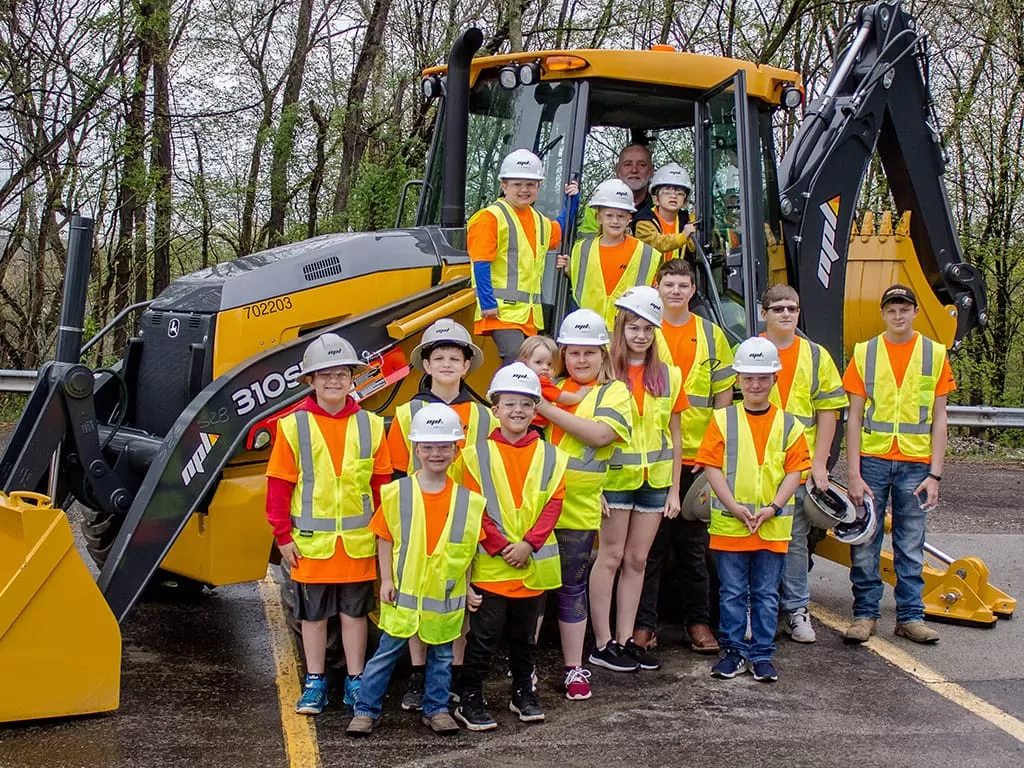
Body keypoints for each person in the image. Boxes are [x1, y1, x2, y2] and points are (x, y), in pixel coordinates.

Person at [265, 333, 391, 715]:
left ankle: (355, 680)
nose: (333, 381)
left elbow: (382, 487)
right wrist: (282, 537)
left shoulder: (371, 425)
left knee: (354, 615)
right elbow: (279, 487)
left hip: (357, 543)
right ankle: (315, 681)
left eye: (341, 374)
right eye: (325, 375)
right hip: (310, 544)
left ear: (353, 378)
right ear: (310, 381)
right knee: (314, 617)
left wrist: (384, 536)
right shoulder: (292, 426)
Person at [346, 404, 486, 737]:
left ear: (456, 449)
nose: (436, 453)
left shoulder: (469, 501)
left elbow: (467, 553)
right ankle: (365, 710)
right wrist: (387, 579)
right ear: (416, 449)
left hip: (444, 599)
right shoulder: (397, 493)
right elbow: (384, 537)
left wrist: (467, 587)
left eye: (444, 446)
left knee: (441, 658)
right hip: (404, 596)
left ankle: (436, 709)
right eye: (429, 446)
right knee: (385, 655)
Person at [386, 317, 494, 710]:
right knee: (418, 600)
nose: (447, 364)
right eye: (438, 357)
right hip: (418, 521)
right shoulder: (404, 414)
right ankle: (418, 676)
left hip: (465, 522)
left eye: (455, 357)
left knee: (458, 600)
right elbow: (397, 474)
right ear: (426, 365)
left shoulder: (484, 416)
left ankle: (453, 674)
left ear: (467, 365)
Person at [453, 363, 568, 731]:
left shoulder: (551, 455)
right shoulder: (474, 456)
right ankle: (470, 697)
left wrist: (528, 545)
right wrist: (504, 546)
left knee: (524, 637)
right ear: (495, 409)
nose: (517, 411)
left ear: (536, 411)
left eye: (526, 404)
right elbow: (473, 509)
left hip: (531, 564)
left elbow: (554, 505)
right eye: (509, 404)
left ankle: (523, 691)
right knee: (483, 637)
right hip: (493, 564)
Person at [842, 284, 954, 645]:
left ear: (915, 312)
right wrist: (854, 473)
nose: (898, 315)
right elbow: (854, 418)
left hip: (916, 465)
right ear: (883, 314)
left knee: (910, 544)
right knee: (865, 541)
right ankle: (865, 614)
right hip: (873, 461)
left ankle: (910, 616)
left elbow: (940, 418)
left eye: (904, 309)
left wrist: (935, 473)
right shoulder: (865, 353)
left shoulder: (935, 354)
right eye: (892, 309)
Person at [635, 258, 734, 654]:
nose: (676, 291)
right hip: (652, 457)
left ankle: (698, 624)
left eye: (683, 285)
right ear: (657, 287)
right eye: (669, 284)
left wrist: (715, 454)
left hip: (697, 458)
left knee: (694, 549)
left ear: (693, 290)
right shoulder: (646, 334)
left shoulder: (712, 336)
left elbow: (723, 399)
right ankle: (643, 627)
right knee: (650, 550)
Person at [698, 337, 810, 683]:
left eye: (762, 378)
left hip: (771, 527)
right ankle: (733, 653)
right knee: (731, 592)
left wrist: (773, 508)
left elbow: (796, 471)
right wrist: (733, 507)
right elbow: (711, 467)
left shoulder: (790, 425)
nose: (756, 384)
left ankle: (761, 655)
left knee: (765, 593)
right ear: (738, 380)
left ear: (775, 379)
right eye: (749, 378)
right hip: (731, 526)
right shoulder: (721, 419)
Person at [535, 309, 633, 700]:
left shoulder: (614, 392)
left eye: (589, 353)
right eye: (573, 352)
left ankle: (574, 668)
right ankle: (525, 669)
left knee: (571, 589)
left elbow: (599, 435)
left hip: (577, 508)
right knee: (532, 592)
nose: (580, 360)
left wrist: (541, 406)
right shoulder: (551, 385)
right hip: (536, 505)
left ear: (604, 355)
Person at [589, 287, 687, 674]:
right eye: (634, 327)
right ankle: (602, 642)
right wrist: (593, 486)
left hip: (655, 481)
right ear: (621, 328)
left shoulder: (668, 375)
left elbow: (675, 435)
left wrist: (675, 489)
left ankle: (627, 639)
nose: (641, 335)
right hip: (614, 479)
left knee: (638, 560)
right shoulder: (604, 373)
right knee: (610, 558)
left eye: (648, 328)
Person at [758, 284, 847, 644]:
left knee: (792, 540)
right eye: (777, 308)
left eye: (791, 308)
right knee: (747, 539)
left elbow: (829, 413)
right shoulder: (751, 350)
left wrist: (821, 464)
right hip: (755, 462)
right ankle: (755, 608)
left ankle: (796, 609)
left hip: (796, 464)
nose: (785, 314)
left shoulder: (815, 356)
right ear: (764, 313)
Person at [467, 148, 577, 364]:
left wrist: (571, 203)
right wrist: (488, 302)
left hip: (527, 315)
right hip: (500, 312)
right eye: (517, 184)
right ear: (504, 186)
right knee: (516, 360)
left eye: (530, 185)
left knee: (532, 364)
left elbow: (560, 230)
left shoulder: (539, 220)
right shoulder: (489, 218)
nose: (524, 190)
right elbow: (480, 263)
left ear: (539, 187)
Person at [558, 179, 660, 329]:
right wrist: (568, 270)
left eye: (620, 216)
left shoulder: (647, 254)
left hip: (627, 338)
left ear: (629, 219)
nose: (615, 221)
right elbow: (585, 283)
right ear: (598, 218)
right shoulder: (581, 250)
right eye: (609, 215)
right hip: (588, 335)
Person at [518, 334, 589, 431]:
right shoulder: (539, 382)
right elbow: (562, 398)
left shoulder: (518, 380)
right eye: (539, 362)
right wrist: (579, 395)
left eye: (550, 364)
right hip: (533, 426)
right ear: (525, 362)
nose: (545, 368)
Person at [579, 144, 655, 233]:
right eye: (627, 164)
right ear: (617, 170)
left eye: (642, 165)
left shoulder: (664, 206)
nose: (634, 170)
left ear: (651, 171)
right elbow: (586, 244)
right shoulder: (598, 204)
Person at [633, 163, 697, 262]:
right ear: (656, 199)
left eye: (680, 193)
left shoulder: (686, 221)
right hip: (651, 277)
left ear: (685, 202)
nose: (673, 196)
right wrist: (683, 236)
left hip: (677, 276)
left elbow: (694, 247)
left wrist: (695, 220)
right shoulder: (643, 221)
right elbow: (655, 243)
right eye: (667, 192)